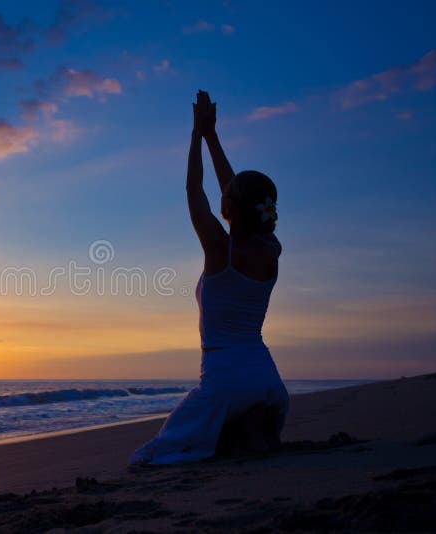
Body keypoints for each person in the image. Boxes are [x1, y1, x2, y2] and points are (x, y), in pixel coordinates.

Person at [129, 90, 289, 466]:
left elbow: (194, 190)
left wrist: (196, 134)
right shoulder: (271, 247)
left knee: (148, 457)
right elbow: (233, 190)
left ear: (230, 206)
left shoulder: (221, 250)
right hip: (268, 381)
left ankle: (235, 429)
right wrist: (212, 135)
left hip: (225, 381)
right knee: (224, 436)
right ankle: (246, 430)